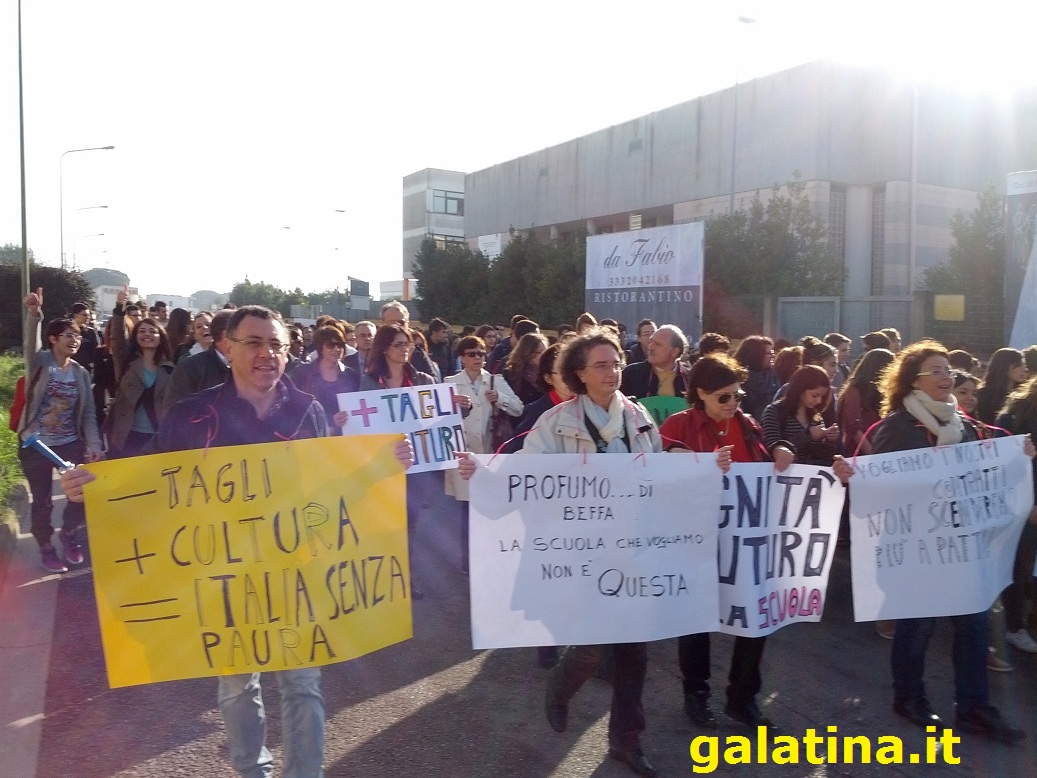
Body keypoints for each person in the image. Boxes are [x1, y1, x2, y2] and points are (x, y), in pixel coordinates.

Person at [61, 304, 413, 777]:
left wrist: (380, 465)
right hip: (223, 580)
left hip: (297, 576)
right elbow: (146, 478)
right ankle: (254, 771)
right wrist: (92, 487)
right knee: (236, 688)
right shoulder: (191, 415)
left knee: (303, 685)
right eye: (254, 342)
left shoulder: (308, 412)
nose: (267, 353)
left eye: (277, 345)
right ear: (226, 347)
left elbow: (334, 485)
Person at [462, 327, 664, 778]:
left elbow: (661, 472)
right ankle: (560, 686)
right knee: (593, 645)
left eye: (615, 363)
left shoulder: (640, 417)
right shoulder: (557, 423)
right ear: (579, 373)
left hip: (628, 552)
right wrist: (483, 475)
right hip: (580, 553)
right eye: (600, 365)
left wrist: (707, 470)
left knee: (634, 651)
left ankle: (627, 742)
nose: (612, 371)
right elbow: (525, 476)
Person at [863, 340, 1029, 744]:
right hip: (920, 548)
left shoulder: (967, 425)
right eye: (935, 370)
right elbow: (880, 484)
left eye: (948, 370)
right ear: (913, 381)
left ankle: (973, 707)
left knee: (973, 625)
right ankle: (909, 697)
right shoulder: (897, 427)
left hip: (962, 545)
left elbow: (991, 457)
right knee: (918, 624)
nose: (946, 377)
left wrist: (1017, 452)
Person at [659, 354, 828, 730]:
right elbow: (657, 469)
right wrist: (684, 459)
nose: (733, 403)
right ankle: (696, 693)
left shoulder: (747, 424)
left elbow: (767, 465)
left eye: (737, 394)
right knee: (697, 619)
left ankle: (743, 697)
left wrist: (782, 450)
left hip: (745, 541)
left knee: (755, 617)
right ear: (700, 393)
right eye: (723, 397)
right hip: (698, 539)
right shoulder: (678, 425)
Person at [16, 288, 104, 573]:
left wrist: (94, 444)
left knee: (79, 495)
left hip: (69, 443)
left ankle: (69, 534)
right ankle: (45, 546)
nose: (75, 340)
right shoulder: (40, 363)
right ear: (53, 339)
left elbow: (89, 412)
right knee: (41, 502)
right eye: (68, 335)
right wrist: (34, 315)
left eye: (78, 336)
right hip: (36, 443)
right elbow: (30, 345)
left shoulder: (80, 373)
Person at [361, 323, 437, 600]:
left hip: (416, 467)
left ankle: (405, 577)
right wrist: (344, 421)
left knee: (410, 524)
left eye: (408, 344)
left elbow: (439, 420)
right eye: (399, 344)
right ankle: (382, 576)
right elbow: (361, 423)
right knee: (384, 523)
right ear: (383, 348)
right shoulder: (370, 382)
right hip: (383, 467)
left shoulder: (423, 380)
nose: (405, 349)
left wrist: (458, 407)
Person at [444, 335, 523, 572]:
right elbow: (436, 416)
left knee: (488, 508)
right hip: (463, 454)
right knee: (467, 510)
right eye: (472, 354)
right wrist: (452, 405)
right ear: (462, 357)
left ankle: (488, 555)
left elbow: (518, 409)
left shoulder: (494, 381)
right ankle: (467, 560)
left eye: (481, 353)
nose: (478, 358)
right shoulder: (450, 382)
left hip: (489, 453)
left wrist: (499, 399)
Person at [994, 377, 1037, 655]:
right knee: (1018, 568)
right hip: (1021, 507)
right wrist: (1031, 503)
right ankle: (1013, 627)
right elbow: (1004, 465)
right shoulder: (1012, 420)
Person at [106, 289, 176, 458]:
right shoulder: (126, 362)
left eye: (153, 331)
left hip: (158, 438)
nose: (147, 335)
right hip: (126, 436)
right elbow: (117, 338)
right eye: (142, 331)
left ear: (161, 337)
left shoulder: (170, 368)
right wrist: (119, 309)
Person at [761, 365, 839, 466]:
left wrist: (829, 440)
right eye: (814, 395)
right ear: (800, 389)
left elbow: (822, 456)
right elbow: (773, 449)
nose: (819, 401)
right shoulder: (774, 412)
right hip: (783, 476)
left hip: (808, 476)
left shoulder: (815, 416)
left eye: (822, 396)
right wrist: (808, 435)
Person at [292, 324, 360, 433]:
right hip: (313, 440)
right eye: (331, 345)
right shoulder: (303, 373)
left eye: (340, 345)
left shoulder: (351, 375)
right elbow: (295, 410)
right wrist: (328, 422)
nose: (337, 349)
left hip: (346, 439)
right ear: (320, 348)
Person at [162, 309, 233, 414]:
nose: (204, 328)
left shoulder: (245, 364)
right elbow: (174, 412)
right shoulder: (187, 365)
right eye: (199, 326)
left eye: (207, 324)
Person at [837, 348, 895, 456]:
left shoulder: (881, 393)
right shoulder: (854, 391)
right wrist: (872, 455)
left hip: (881, 451)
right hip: (860, 456)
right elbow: (854, 429)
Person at [620, 325, 689, 399]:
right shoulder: (631, 374)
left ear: (674, 351)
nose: (650, 347)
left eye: (657, 344)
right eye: (650, 342)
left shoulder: (689, 379)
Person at [974, 348, 1028, 424]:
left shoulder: (1022, 395)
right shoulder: (984, 394)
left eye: (1024, 365)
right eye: (1018, 365)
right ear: (1004, 366)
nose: (1024, 369)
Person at [733, 335, 778, 420]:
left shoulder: (773, 376)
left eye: (772, 352)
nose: (773, 356)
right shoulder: (738, 379)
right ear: (756, 355)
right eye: (769, 353)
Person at [502, 331, 548, 405]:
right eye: (540, 352)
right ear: (528, 353)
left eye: (546, 351)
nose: (545, 355)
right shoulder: (511, 373)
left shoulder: (549, 373)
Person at [69, 302, 99, 377]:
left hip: (85, 371)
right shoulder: (66, 330)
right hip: (68, 369)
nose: (88, 317)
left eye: (89, 315)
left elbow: (96, 350)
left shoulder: (91, 332)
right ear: (76, 315)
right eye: (85, 315)